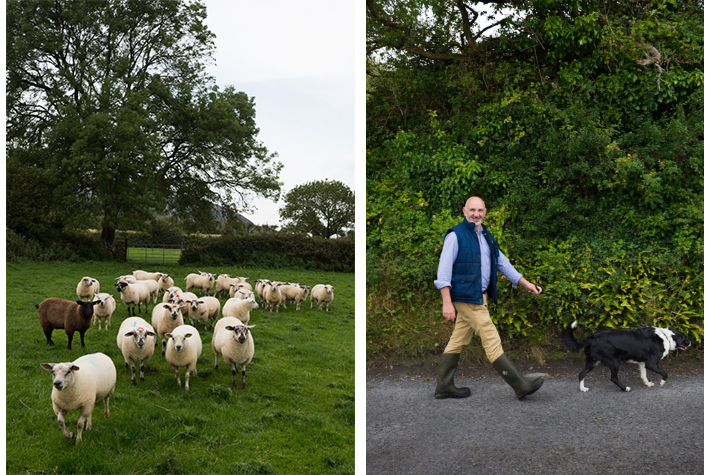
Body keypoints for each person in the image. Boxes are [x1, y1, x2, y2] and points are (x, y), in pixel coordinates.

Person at [433, 196, 544, 400]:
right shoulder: (455, 236)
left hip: (478, 296)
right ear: (464, 211)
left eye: (480, 210)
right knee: (491, 338)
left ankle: (444, 386)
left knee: (457, 340)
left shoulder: (486, 236)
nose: (476, 214)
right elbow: (444, 271)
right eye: (472, 210)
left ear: (485, 212)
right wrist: (446, 302)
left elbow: (503, 263)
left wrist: (527, 284)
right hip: (466, 298)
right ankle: (519, 385)